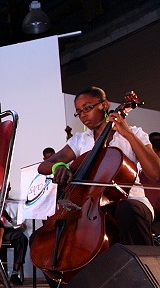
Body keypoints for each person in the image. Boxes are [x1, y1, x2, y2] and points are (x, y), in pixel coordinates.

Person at [38, 86, 160, 247]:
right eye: (78, 112)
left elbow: (155, 173)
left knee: (126, 209)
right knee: (43, 238)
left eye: (87, 108)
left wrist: (127, 134)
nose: (83, 115)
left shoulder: (135, 133)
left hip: (131, 202)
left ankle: (144, 262)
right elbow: (44, 166)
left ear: (105, 105)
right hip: (90, 208)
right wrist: (58, 167)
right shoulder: (80, 140)